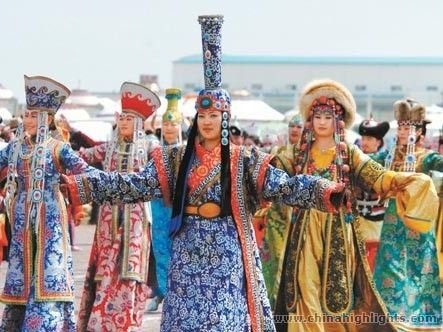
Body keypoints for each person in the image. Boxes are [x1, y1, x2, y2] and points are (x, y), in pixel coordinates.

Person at [63, 15, 345, 332]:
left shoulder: (244, 160)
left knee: (226, 321)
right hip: (187, 251)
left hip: (227, 251)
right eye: (202, 114)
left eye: (214, 115)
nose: (208, 121)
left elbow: (284, 186)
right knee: (186, 320)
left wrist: (324, 191)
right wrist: (83, 186)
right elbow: (135, 186)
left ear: (225, 118)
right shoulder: (174, 159)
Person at [274, 79, 439, 332]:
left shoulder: (349, 154)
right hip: (304, 231)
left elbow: (377, 176)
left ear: (338, 119)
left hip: (339, 232)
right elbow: (270, 173)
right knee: (304, 287)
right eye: (316, 116)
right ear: (309, 119)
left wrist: (408, 180)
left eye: (327, 116)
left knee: (337, 293)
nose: (321, 122)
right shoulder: (296, 154)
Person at [0, 75, 95, 331]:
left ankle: (45, 323)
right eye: (26, 115)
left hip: (51, 217)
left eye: (34, 115)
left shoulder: (58, 148)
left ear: (48, 118)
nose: (28, 120)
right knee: (22, 270)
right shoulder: (14, 148)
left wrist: (74, 186)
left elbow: (87, 173)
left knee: (48, 270)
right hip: (21, 219)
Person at [75, 82, 161, 331]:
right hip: (108, 217)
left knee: (130, 266)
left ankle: (127, 317)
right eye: (121, 118)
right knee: (106, 265)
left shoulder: (150, 148)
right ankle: (101, 318)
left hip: (136, 217)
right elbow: (81, 158)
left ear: (139, 123)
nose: (123, 122)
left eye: (128, 119)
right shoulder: (108, 147)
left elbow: (164, 171)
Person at [373, 98, 442, 330]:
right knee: (390, 264)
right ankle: (390, 316)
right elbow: (369, 166)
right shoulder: (389, 157)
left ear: (419, 132)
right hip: (393, 221)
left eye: (407, 128)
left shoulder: (427, 157)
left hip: (418, 221)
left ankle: (422, 318)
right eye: (400, 128)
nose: (402, 132)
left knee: (419, 267)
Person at [146, 88, 183, 312]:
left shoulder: (187, 152)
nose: (169, 127)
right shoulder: (156, 152)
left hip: (179, 210)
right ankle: (161, 292)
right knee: (160, 249)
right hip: (159, 208)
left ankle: (176, 293)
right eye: (166, 124)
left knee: (179, 250)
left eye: (173, 123)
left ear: (180, 126)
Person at [355, 117, 390, 271]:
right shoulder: (354, 159)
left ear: (379, 142)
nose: (365, 142)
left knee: (372, 262)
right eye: (363, 138)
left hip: (376, 219)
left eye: (369, 138)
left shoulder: (384, 161)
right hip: (356, 218)